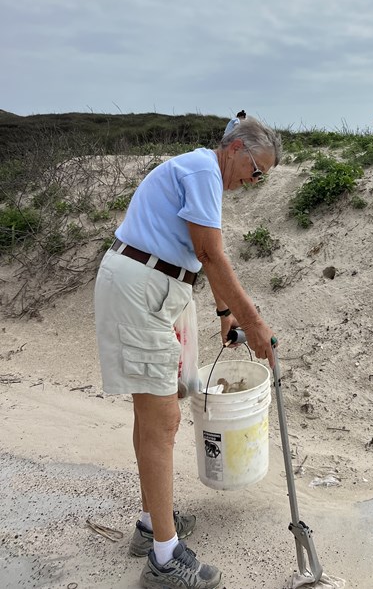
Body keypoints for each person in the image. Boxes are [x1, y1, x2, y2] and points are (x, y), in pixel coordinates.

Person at [94, 117, 281, 589]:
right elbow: (212, 253)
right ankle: (163, 558)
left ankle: (149, 524)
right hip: (142, 290)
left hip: (155, 287)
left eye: (263, 177)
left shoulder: (202, 176)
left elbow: (197, 254)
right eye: (256, 170)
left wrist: (225, 311)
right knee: (162, 421)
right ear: (236, 148)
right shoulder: (203, 171)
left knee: (152, 415)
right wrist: (255, 322)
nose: (254, 182)